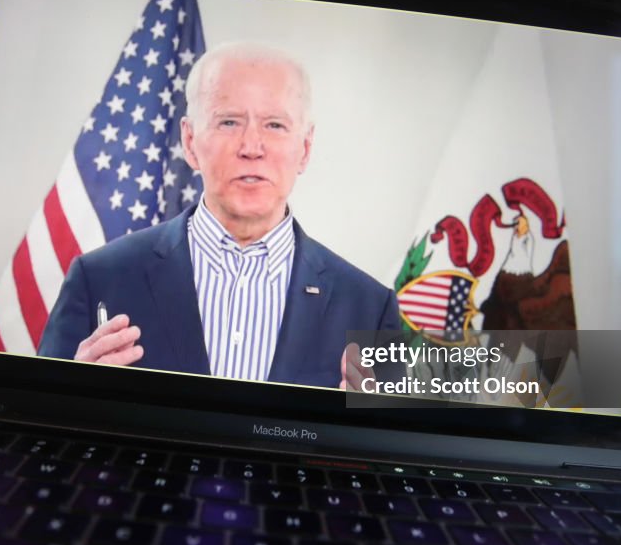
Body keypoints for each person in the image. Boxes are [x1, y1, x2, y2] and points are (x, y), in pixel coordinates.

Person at [38, 42, 399, 389]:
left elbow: (390, 447)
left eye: (274, 125)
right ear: (191, 141)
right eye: (228, 122)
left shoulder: (369, 309)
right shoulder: (98, 279)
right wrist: (70, 392)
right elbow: (36, 423)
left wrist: (368, 433)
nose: (251, 147)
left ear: (305, 148)